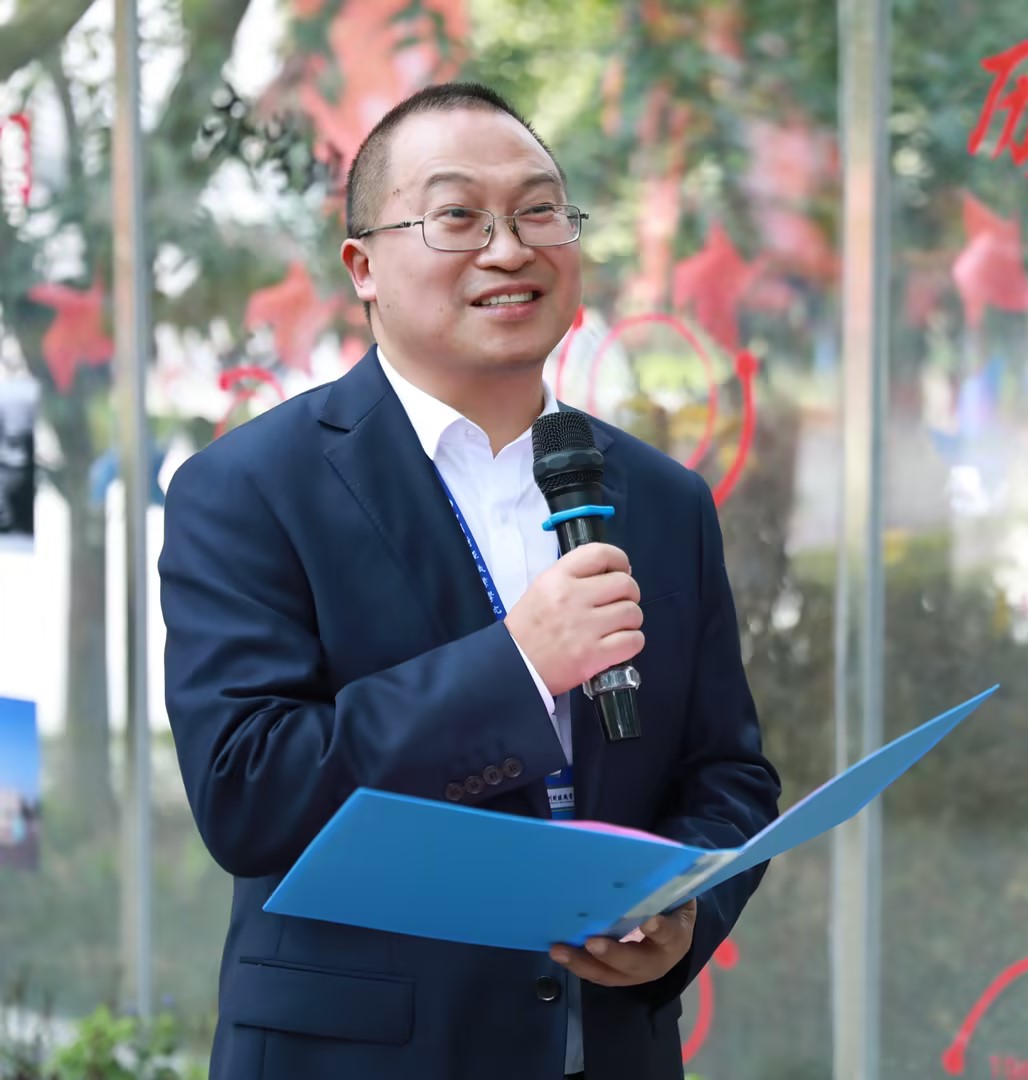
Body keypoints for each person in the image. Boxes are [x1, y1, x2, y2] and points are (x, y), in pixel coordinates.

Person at [158, 81, 781, 1080]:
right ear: (363, 265)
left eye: (539, 211)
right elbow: (249, 790)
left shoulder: (664, 499)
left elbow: (728, 775)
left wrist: (686, 914)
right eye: (458, 217)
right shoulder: (248, 489)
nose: (509, 249)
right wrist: (519, 666)